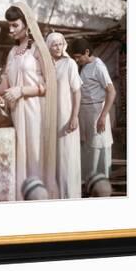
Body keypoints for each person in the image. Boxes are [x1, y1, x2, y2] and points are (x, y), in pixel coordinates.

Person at [0, 2, 58, 200]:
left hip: (35, 112)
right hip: (15, 113)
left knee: (34, 157)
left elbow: (52, 86)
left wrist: (22, 90)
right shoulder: (12, 53)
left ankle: (41, 199)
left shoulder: (38, 49)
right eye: (9, 26)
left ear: (27, 24)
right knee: (19, 158)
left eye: (15, 25)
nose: (11, 30)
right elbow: (4, 86)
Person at [69, 38, 117, 180]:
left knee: (98, 147)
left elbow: (112, 91)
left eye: (78, 57)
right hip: (85, 111)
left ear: (87, 52)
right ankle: (88, 181)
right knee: (87, 147)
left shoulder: (98, 66)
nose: (77, 60)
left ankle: (100, 182)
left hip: (97, 111)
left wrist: (102, 116)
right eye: (75, 58)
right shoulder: (84, 66)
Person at [46, 32, 83, 199]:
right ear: (48, 47)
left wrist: (74, 116)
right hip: (50, 119)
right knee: (54, 158)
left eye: (61, 44)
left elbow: (77, 91)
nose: (58, 47)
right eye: (54, 44)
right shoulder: (45, 66)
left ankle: (70, 195)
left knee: (67, 157)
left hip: (66, 117)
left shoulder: (70, 64)